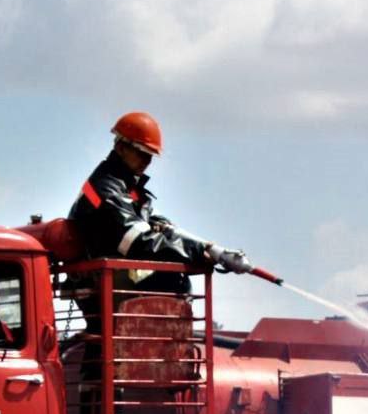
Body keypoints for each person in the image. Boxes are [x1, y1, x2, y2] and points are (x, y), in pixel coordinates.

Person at [66, 111, 251, 294]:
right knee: (172, 278)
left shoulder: (126, 187)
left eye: (150, 156)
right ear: (121, 148)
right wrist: (196, 251)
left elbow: (147, 228)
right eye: (141, 153)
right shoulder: (107, 189)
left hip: (110, 274)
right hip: (102, 279)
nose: (147, 161)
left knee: (174, 277)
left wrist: (196, 244)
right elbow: (138, 242)